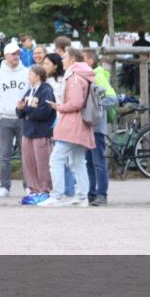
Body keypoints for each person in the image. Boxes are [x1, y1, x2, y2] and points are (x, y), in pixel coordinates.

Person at [38, 48, 95, 207]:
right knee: (78, 161)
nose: (62, 60)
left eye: (64, 58)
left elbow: (76, 103)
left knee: (56, 160)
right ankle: (82, 196)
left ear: (73, 60)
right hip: (80, 124)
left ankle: (57, 196)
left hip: (71, 124)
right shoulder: (84, 74)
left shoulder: (74, 77)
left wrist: (59, 107)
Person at [0, 41, 29, 198]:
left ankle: (28, 186)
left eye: (18, 54)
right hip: (4, 118)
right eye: (13, 54)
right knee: (4, 154)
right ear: (6, 56)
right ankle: (5, 186)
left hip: (23, 118)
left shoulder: (26, 72)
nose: (16, 57)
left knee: (26, 154)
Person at [82, 49, 118, 206]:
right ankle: (92, 193)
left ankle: (102, 194)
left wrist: (95, 106)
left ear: (90, 61)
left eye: (83, 58)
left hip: (96, 126)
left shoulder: (97, 75)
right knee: (89, 163)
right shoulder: (87, 76)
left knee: (98, 162)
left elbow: (112, 98)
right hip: (87, 126)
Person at [17, 65, 56, 204]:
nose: (28, 76)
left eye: (30, 74)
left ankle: (45, 190)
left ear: (38, 76)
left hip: (41, 133)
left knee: (42, 163)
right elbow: (20, 111)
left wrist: (26, 109)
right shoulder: (30, 91)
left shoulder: (46, 91)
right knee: (29, 164)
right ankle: (33, 190)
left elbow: (44, 112)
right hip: (28, 132)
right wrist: (20, 109)